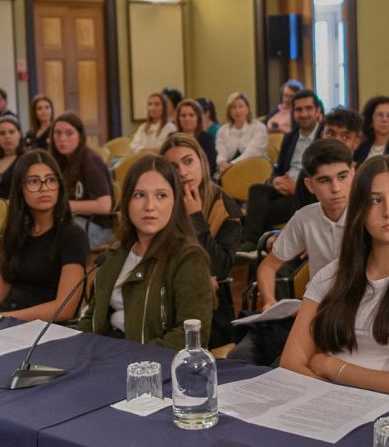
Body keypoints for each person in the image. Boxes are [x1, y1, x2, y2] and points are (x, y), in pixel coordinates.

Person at [280, 155, 389, 399]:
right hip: (320, 404)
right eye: (375, 200)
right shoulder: (330, 275)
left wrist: (334, 367)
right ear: (359, 211)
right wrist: (331, 399)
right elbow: (291, 363)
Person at [228, 139, 355, 366]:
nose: (336, 188)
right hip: (310, 309)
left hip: (350, 314)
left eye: (342, 176)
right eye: (324, 180)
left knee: (281, 365)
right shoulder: (306, 217)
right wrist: (269, 301)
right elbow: (268, 266)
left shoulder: (368, 216)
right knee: (240, 357)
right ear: (309, 185)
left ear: (353, 172)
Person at [77, 155, 213, 350]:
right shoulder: (115, 253)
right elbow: (91, 317)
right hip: (104, 353)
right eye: (139, 195)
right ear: (126, 202)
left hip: (149, 364)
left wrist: (133, 359)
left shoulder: (188, 258)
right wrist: (77, 348)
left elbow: (190, 335)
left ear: (175, 202)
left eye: (161, 195)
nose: (150, 206)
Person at [0, 150, 89, 322]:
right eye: (33, 181)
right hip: (7, 322)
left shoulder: (73, 236)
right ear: (20, 189)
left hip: (41, 331)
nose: (44, 187)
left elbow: (65, 309)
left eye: (51, 180)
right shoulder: (15, 231)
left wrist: (4, 318)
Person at [162, 134, 244, 347]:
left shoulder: (224, 206)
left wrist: (196, 218)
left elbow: (221, 266)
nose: (182, 172)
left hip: (211, 307)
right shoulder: (159, 202)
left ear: (202, 161)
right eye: (173, 166)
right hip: (162, 295)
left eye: (188, 161)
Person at [242, 89, 323, 246]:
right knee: (256, 190)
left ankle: (250, 244)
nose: (304, 114)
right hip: (283, 187)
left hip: (305, 193)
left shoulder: (324, 136)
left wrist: (298, 188)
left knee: (261, 212)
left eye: (308, 108)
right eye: (299, 109)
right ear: (293, 113)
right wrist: (275, 180)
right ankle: (254, 246)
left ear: (318, 111)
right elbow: (278, 169)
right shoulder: (290, 137)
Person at [51, 113, 114, 247]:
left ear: (79, 136)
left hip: (97, 226)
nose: (62, 138)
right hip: (75, 220)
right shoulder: (60, 161)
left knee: (54, 237)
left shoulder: (90, 161)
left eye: (69, 133)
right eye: (57, 133)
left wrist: (64, 205)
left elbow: (104, 206)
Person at [214, 92, 268, 176]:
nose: (237, 110)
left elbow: (251, 153)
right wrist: (222, 162)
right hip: (227, 170)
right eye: (233, 107)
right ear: (229, 111)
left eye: (240, 106)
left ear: (247, 108)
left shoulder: (259, 128)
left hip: (254, 169)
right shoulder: (222, 131)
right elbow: (221, 153)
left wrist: (231, 165)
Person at [174, 98, 218, 171]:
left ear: (198, 118)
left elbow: (211, 165)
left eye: (191, 115)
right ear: (178, 119)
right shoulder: (172, 138)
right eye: (183, 115)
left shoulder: (207, 138)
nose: (187, 119)